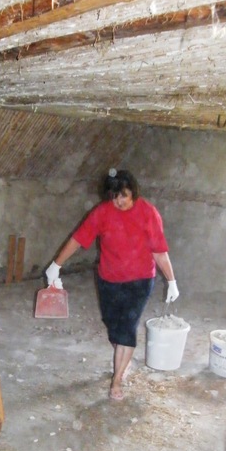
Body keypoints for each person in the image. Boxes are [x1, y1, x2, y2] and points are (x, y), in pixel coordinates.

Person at [45, 168, 179, 401]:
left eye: (124, 195)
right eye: (114, 196)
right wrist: (56, 265)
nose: (119, 201)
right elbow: (78, 238)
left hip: (139, 281)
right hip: (109, 279)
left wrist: (171, 281)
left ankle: (117, 380)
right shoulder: (102, 212)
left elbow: (159, 251)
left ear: (133, 192)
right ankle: (123, 357)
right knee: (113, 327)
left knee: (127, 328)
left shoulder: (148, 213)